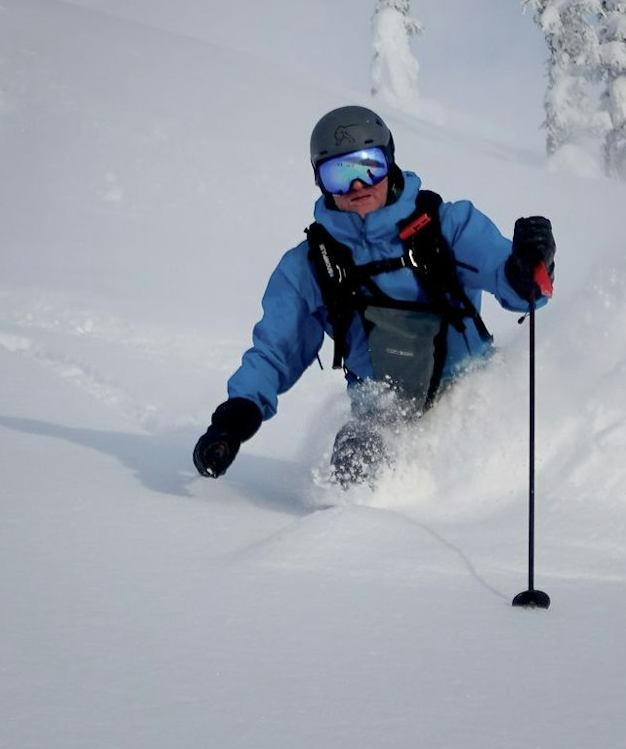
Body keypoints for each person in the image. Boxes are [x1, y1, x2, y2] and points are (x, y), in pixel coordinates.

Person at [191, 105, 555, 486]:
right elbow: (274, 352)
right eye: (339, 174)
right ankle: (366, 539)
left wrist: (529, 263)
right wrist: (233, 421)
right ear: (320, 182)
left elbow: (521, 290)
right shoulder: (312, 265)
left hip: (473, 397)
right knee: (355, 462)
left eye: (368, 166)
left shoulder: (446, 226)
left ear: (390, 162)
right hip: (383, 418)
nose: (357, 186)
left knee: (491, 472)